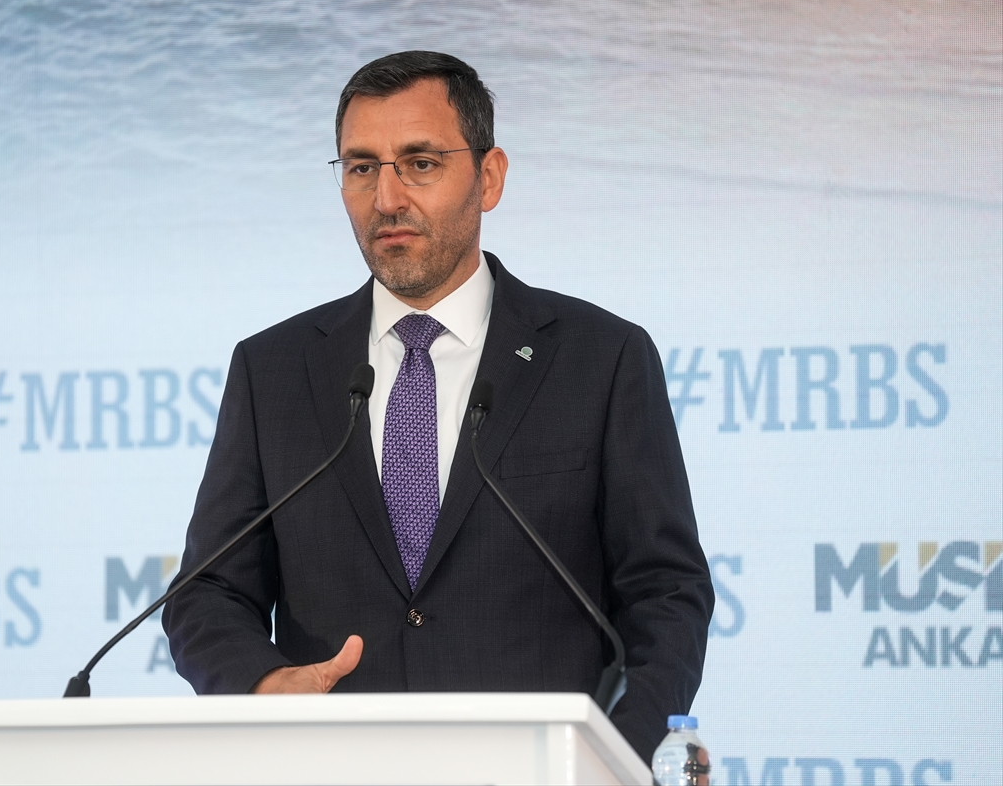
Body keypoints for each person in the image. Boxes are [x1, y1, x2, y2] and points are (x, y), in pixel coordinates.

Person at [163, 50, 714, 763]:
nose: (386, 198)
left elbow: (665, 592)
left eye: (420, 163)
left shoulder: (600, 359)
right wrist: (264, 684)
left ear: (489, 177)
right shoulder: (273, 369)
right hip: (333, 768)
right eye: (362, 168)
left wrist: (613, 758)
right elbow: (206, 593)